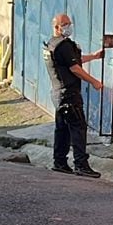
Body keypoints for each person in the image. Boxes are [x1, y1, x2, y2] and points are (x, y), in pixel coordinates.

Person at [45, 12, 104, 178]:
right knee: (78, 127)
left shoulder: (52, 44)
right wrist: (94, 81)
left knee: (62, 129)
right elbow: (75, 68)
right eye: (65, 24)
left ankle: (60, 162)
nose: (69, 26)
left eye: (69, 23)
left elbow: (72, 60)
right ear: (57, 27)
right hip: (69, 94)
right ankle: (81, 164)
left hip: (58, 93)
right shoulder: (63, 45)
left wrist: (94, 56)